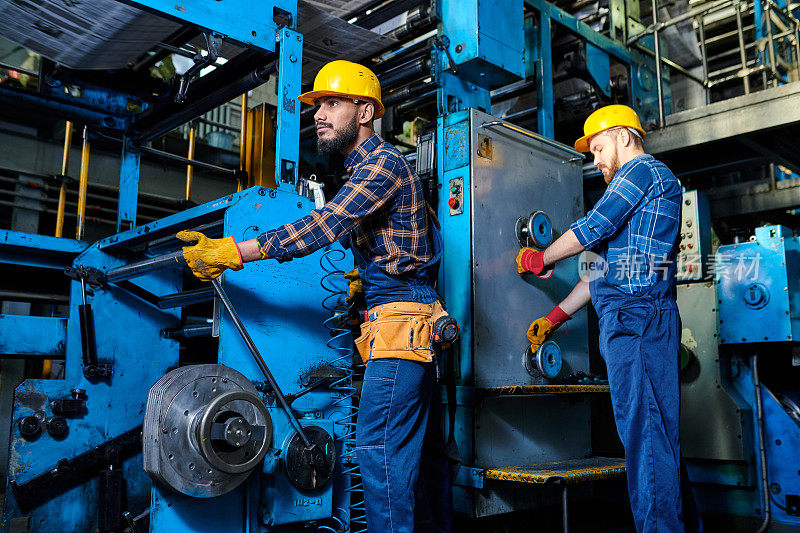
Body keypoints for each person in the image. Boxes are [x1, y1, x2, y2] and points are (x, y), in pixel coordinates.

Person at [176, 60, 452, 533]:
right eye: (317, 106)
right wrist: (364, 283)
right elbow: (404, 241)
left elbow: (325, 225)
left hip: (402, 326)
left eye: (331, 103)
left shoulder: (384, 163)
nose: (319, 114)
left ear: (364, 111)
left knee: (379, 451)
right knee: (415, 457)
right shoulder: (364, 170)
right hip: (401, 319)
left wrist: (235, 251)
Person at [516, 105, 702, 532]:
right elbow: (597, 274)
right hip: (634, 320)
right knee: (657, 440)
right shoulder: (635, 198)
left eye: (598, 148)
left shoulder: (642, 172)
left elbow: (591, 228)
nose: (596, 160)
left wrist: (538, 258)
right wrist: (553, 317)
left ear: (623, 136)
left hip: (637, 321)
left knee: (647, 441)